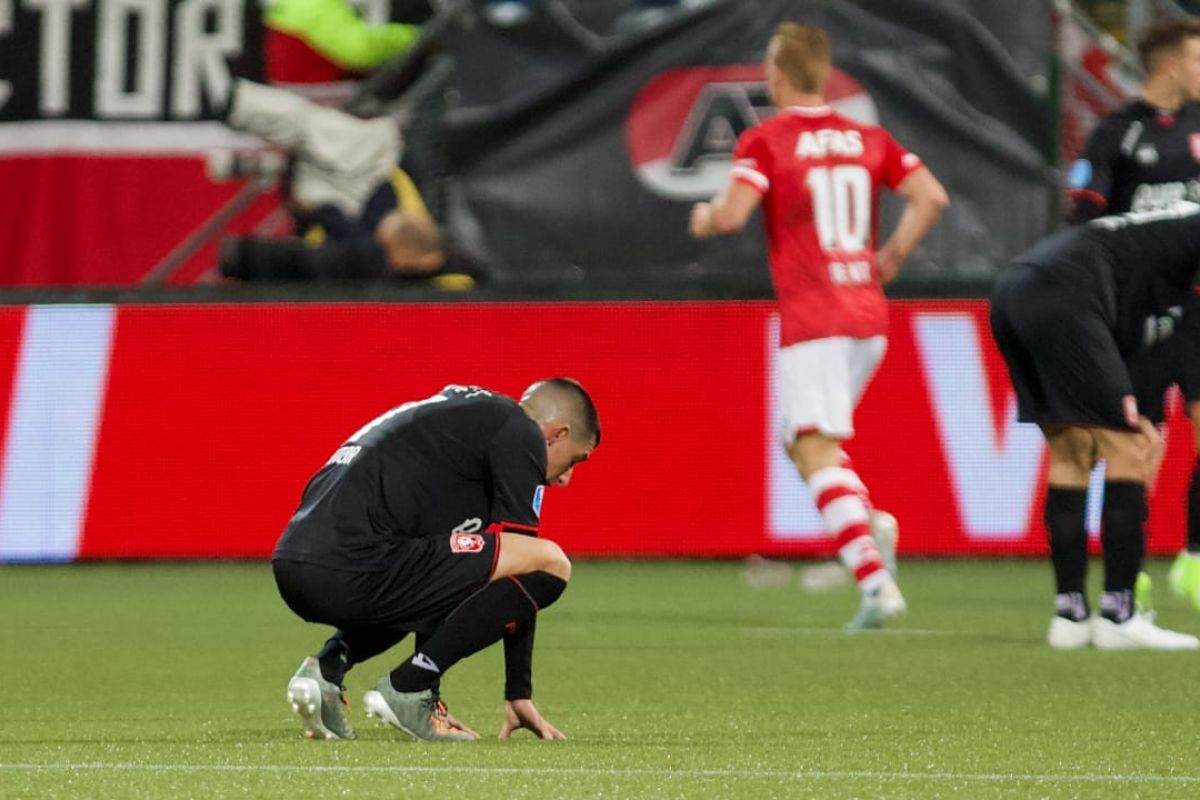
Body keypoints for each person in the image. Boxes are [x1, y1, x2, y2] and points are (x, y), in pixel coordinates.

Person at [688, 22, 949, 631]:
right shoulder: (868, 137)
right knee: (802, 441)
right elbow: (931, 196)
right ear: (825, 74)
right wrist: (890, 257)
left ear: (776, 76)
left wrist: (703, 218)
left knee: (812, 447)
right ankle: (869, 528)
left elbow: (731, 217)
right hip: (868, 319)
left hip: (816, 317)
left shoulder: (766, 140)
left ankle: (873, 580)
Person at [273, 379, 600, 741]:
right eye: (575, 459)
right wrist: (518, 689)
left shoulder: (463, 421)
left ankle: (327, 669)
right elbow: (525, 561)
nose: (567, 477)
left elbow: (443, 575)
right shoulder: (520, 431)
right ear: (556, 434)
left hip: (296, 563)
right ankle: (410, 688)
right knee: (553, 561)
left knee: (453, 562)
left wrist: (517, 693)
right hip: (354, 564)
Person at [990, 204, 1200, 650]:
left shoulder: (1162, 237)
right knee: (1134, 447)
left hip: (1014, 290)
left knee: (1071, 452)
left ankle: (1069, 617)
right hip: (1069, 295)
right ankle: (1118, 616)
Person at [1065, 16, 1200, 610]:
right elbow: (1084, 217)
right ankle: (1131, 576)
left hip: (1197, 308)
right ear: (1170, 64)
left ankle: (1194, 559)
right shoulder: (1116, 133)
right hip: (1140, 314)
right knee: (1140, 448)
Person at [213, 79, 483, 285]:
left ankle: (237, 101)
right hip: (371, 173)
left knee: (312, 131)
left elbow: (339, 257)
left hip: (364, 179)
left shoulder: (378, 243)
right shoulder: (382, 200)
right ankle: (239, 104)